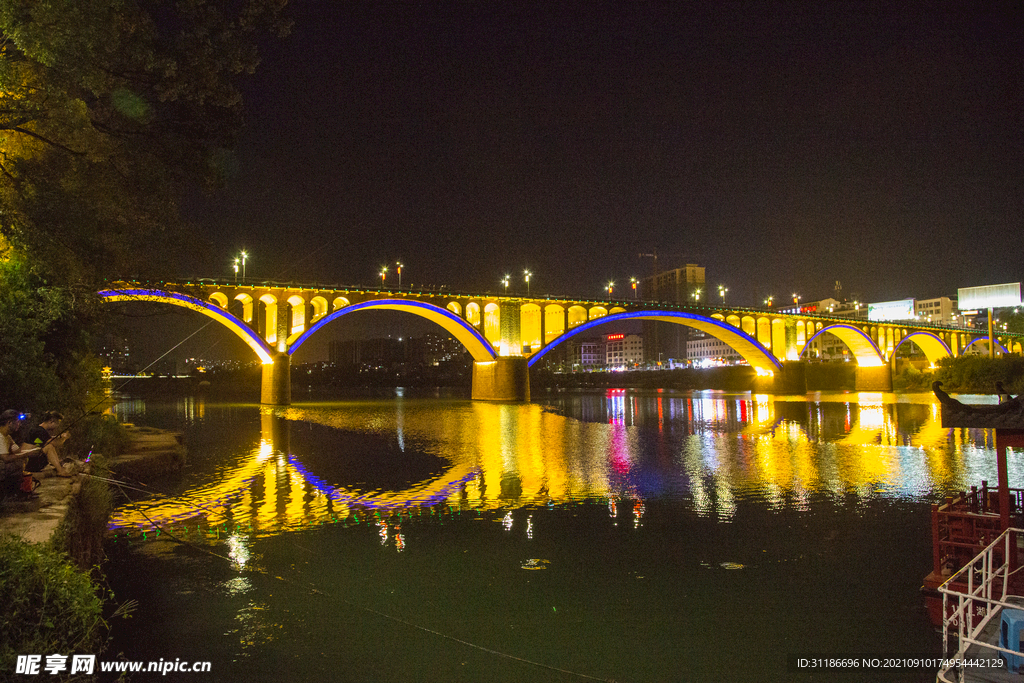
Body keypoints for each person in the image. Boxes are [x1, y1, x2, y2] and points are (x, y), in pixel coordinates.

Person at [22, 411, 72, 478]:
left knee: (49, 446)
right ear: (51, 421)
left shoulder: (38, 429)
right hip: (28, 463)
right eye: (57, 423)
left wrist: (60, 436)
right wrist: (64, 438)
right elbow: (55, 443)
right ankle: (60, 471)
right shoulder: (40, 431)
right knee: (49, 447)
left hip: (30, 461)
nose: (57, 426)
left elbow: (50, 438)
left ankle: (59, 468)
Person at [0, 409, 30, 500]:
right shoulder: (0, 437)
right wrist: (27, 453)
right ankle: (10, 493)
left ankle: (15, 490)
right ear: (9, 423)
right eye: (17, 422)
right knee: (16, 464)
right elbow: (5, 458)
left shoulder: (7, 437)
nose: (19, 425)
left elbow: (17, 451)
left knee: (21, 460)